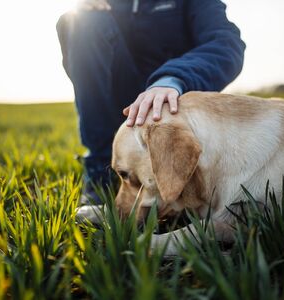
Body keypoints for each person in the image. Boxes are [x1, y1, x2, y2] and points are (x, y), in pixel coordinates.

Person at [56, 0, 245, 204]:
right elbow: (84, 66)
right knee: (78, 21)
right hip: (122, 102)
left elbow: (226, 44)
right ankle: (101, 170)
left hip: (175, 100)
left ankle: (182, 173)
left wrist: (171, 78)